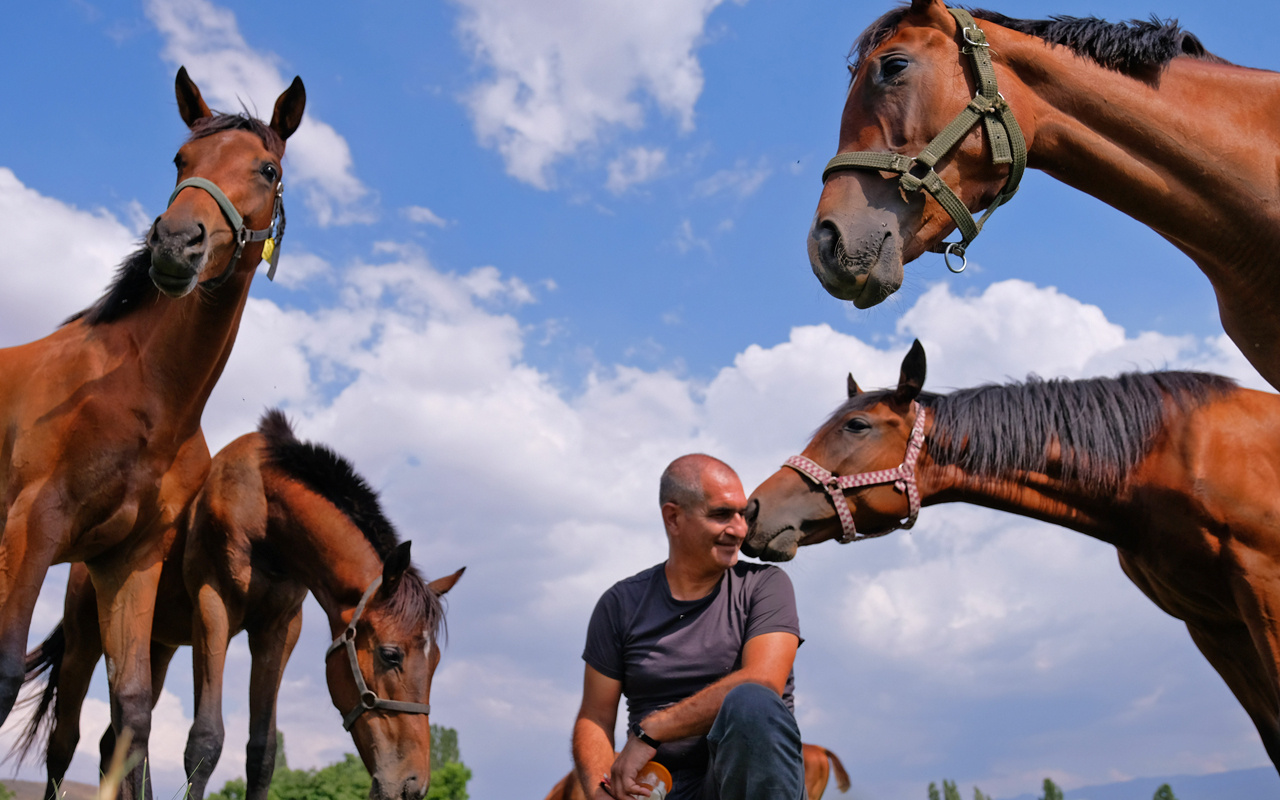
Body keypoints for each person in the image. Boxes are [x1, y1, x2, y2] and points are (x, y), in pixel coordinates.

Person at [572, 454, 805, 800]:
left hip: (739, 785)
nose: (740, 529)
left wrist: (651, 731)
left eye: (743, 514)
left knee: (751, 702)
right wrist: (598, 788)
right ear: (673, 517)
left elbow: (763, 679)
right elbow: (594, 716)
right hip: (655, 786)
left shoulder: (766, 585)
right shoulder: (619, 604)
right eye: (722, 514)